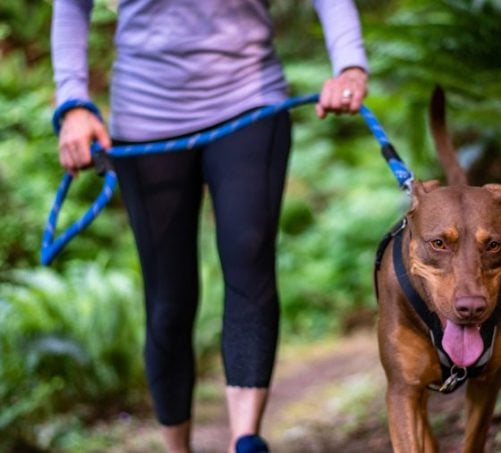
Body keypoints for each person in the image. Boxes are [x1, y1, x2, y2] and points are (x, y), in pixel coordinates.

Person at [50, 1, 368, 452]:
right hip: (146, 119)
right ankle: (177, 447)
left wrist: (350, 64)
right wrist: (72, 103)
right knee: (169, 296)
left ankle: (246, 439)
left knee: (249, 254)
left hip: (249, 101)